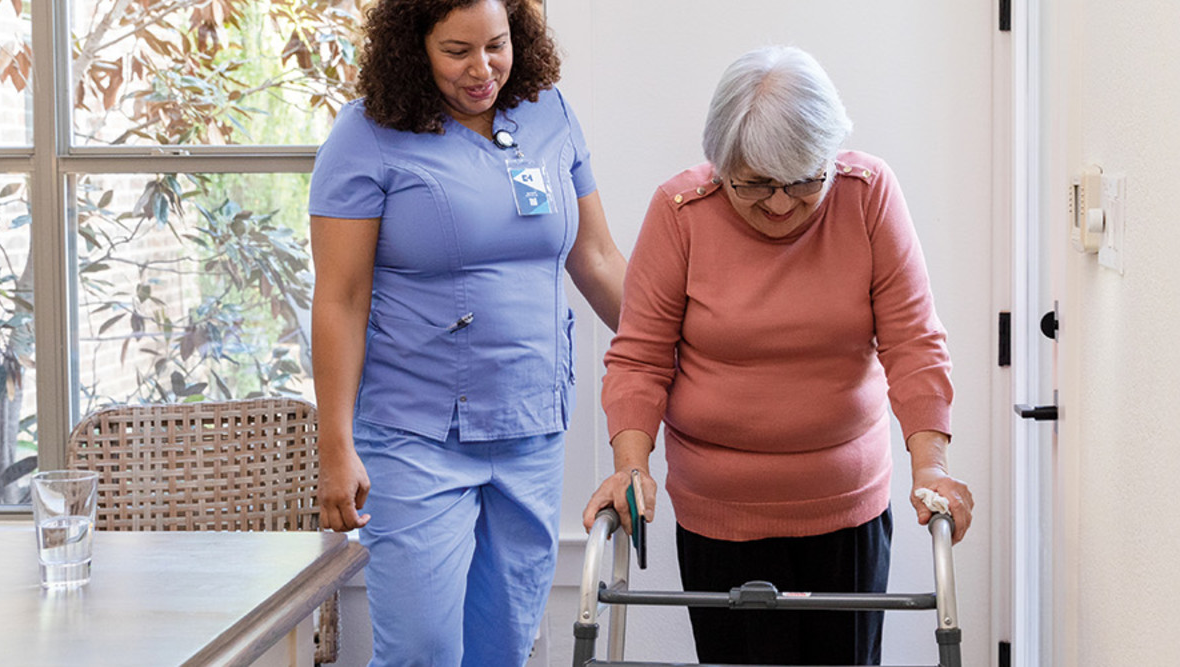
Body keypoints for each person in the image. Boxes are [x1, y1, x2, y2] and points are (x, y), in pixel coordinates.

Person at [583, 45, 973, 666]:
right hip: (719, 512)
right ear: (720, 165)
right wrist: (632, 465)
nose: (781, 205)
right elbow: (639, 357)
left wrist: (930, 467)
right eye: (755, 185)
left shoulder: (866, 195)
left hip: (845, 506)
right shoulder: (680, 213)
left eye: (801, 181)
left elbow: (913, 341)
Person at [306, 0, 625, 664]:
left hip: (531, 425)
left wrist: (684, 354)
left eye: (497, 46)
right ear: (413, 46)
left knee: (504, 645)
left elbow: (596, 259)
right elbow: (340, 297)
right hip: (414, 434)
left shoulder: (548, 112)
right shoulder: (366, 134)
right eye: (458, 52)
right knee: (421, 649)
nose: (483, 69)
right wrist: (335, 445)